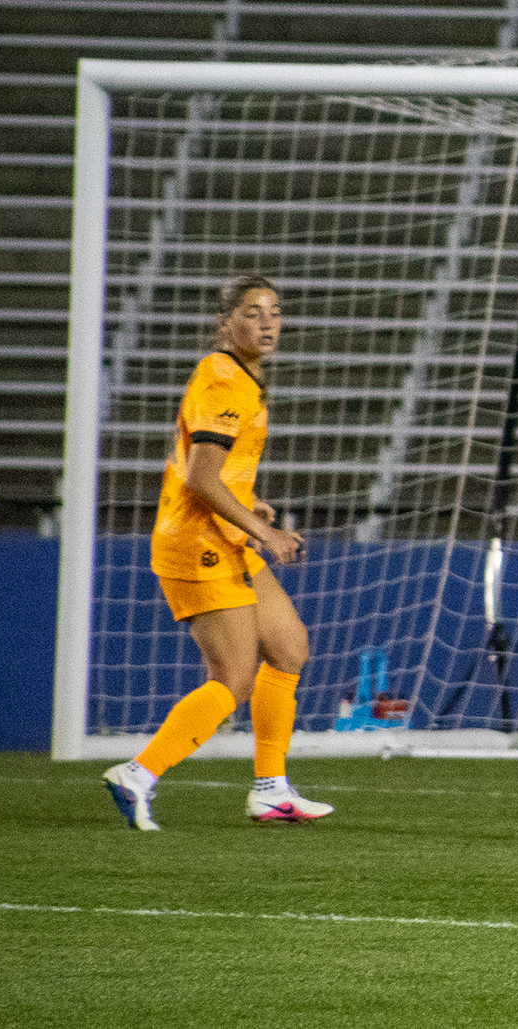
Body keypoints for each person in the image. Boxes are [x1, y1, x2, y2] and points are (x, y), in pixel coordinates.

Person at [101, 275, 332, 830]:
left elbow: (205, 467)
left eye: (275, 311)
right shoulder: (225, 382)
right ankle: (138, 773)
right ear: (224, 321)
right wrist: (264, 531)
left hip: (224, 537)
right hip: (196, 545)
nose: (268, 322)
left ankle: (272, 790)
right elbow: (203, 476)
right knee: (233, 678)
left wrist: (252, 506)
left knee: (289, 647)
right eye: (253, 313)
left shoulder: (239, 380)